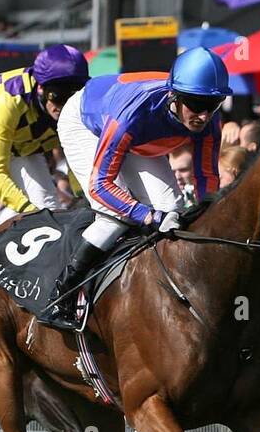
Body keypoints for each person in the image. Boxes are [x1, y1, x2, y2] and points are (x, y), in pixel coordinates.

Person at [46, 47, 230, 328]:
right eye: (195, 103)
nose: (204, 116)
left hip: (140, 135)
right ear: (175, 96)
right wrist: (149, 216)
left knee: (175, 211)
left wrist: (209, 218)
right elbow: (100, 186)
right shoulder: (132, 114)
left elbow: (206, 177)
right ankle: (61, 296)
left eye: (213, 104)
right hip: (87, 123)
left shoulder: (207, 120)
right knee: (114, 218)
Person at [0, 44, 89, 290]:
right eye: (57, 96)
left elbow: (76, 161)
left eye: (72, 95)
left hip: (24, 143)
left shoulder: (73, 106)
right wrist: (28, 211)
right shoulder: (7, 102)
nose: (63, 106)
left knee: (50, 208)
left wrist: (83, 196)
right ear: (41, 88)